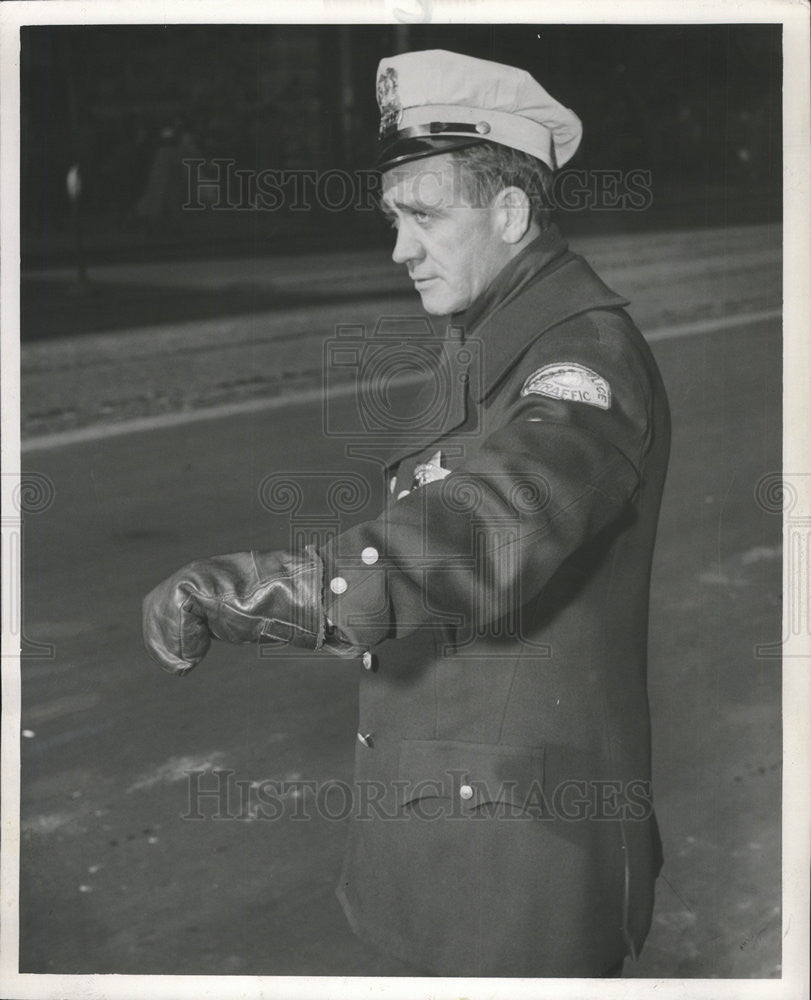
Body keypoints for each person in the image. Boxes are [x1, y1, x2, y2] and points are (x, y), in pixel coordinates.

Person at [142, 49, 671, 978]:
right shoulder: (491, 335)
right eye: (394, 218)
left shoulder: (581, 361)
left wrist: (282, 587)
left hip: (523, 862)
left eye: (423, 217)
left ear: (510, 212)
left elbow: (494, 518)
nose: (399, 250)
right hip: (456, 826)